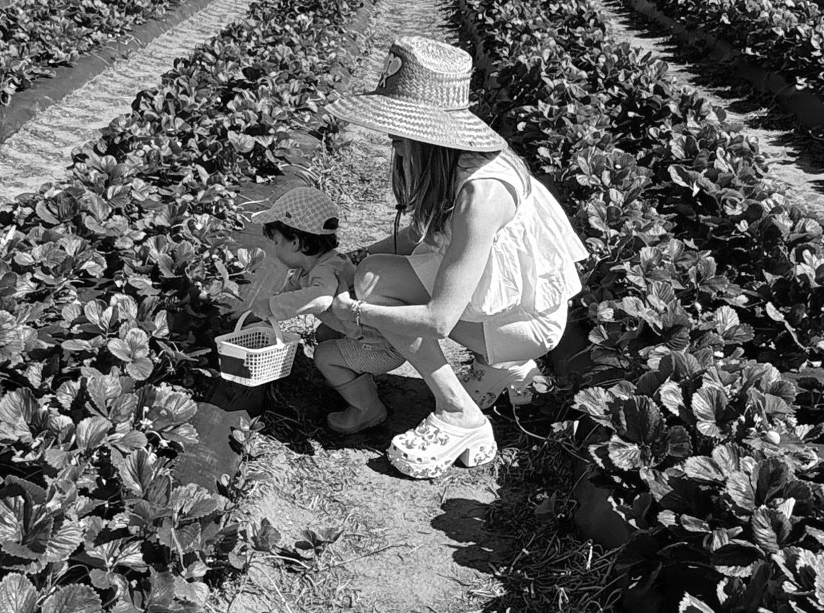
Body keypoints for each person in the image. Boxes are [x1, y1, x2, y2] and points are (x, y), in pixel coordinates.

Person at [315, 36, 589, 480]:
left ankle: (459, 412)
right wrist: (352, 255)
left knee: (377, 283)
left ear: (426, 132)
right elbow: (422, 239)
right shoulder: (458, 163)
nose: (393, 142)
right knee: (372, 269)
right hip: (510, 308)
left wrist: (359, 310)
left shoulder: (481, 194)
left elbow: (439, 320)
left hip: (529, 323)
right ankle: (503, 368)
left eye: (399, 132)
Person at [224, 185, 357, 333]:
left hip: (373, 334)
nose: (274, 249)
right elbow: (286, 296)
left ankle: (373, 353)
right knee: (322, 334)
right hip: (351, 323)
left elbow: (321, 298)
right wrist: (247, 318)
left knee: (323, 354)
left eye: (276, 242)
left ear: (295, 242)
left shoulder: (327, 268)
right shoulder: (305, 270)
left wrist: (271, 306)